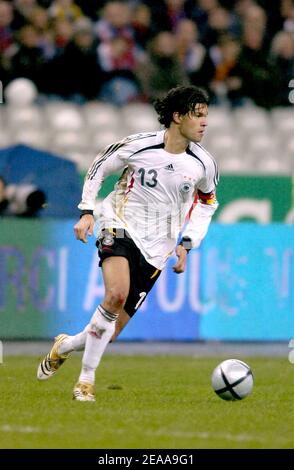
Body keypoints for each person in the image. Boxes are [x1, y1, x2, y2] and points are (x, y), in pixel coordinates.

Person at [37, 85, 219, 402]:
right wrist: (86, 211)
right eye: (198, 115)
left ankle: (64, 345)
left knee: (111, 330)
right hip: (118, 223)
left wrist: (187, 243)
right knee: (115, 294)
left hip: (158, 248)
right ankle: (85, 382)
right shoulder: (139, 145)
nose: (204, 122)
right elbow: (99, 167)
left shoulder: (204, 164)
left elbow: (207, 203)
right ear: (177, 117)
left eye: (206, 116)